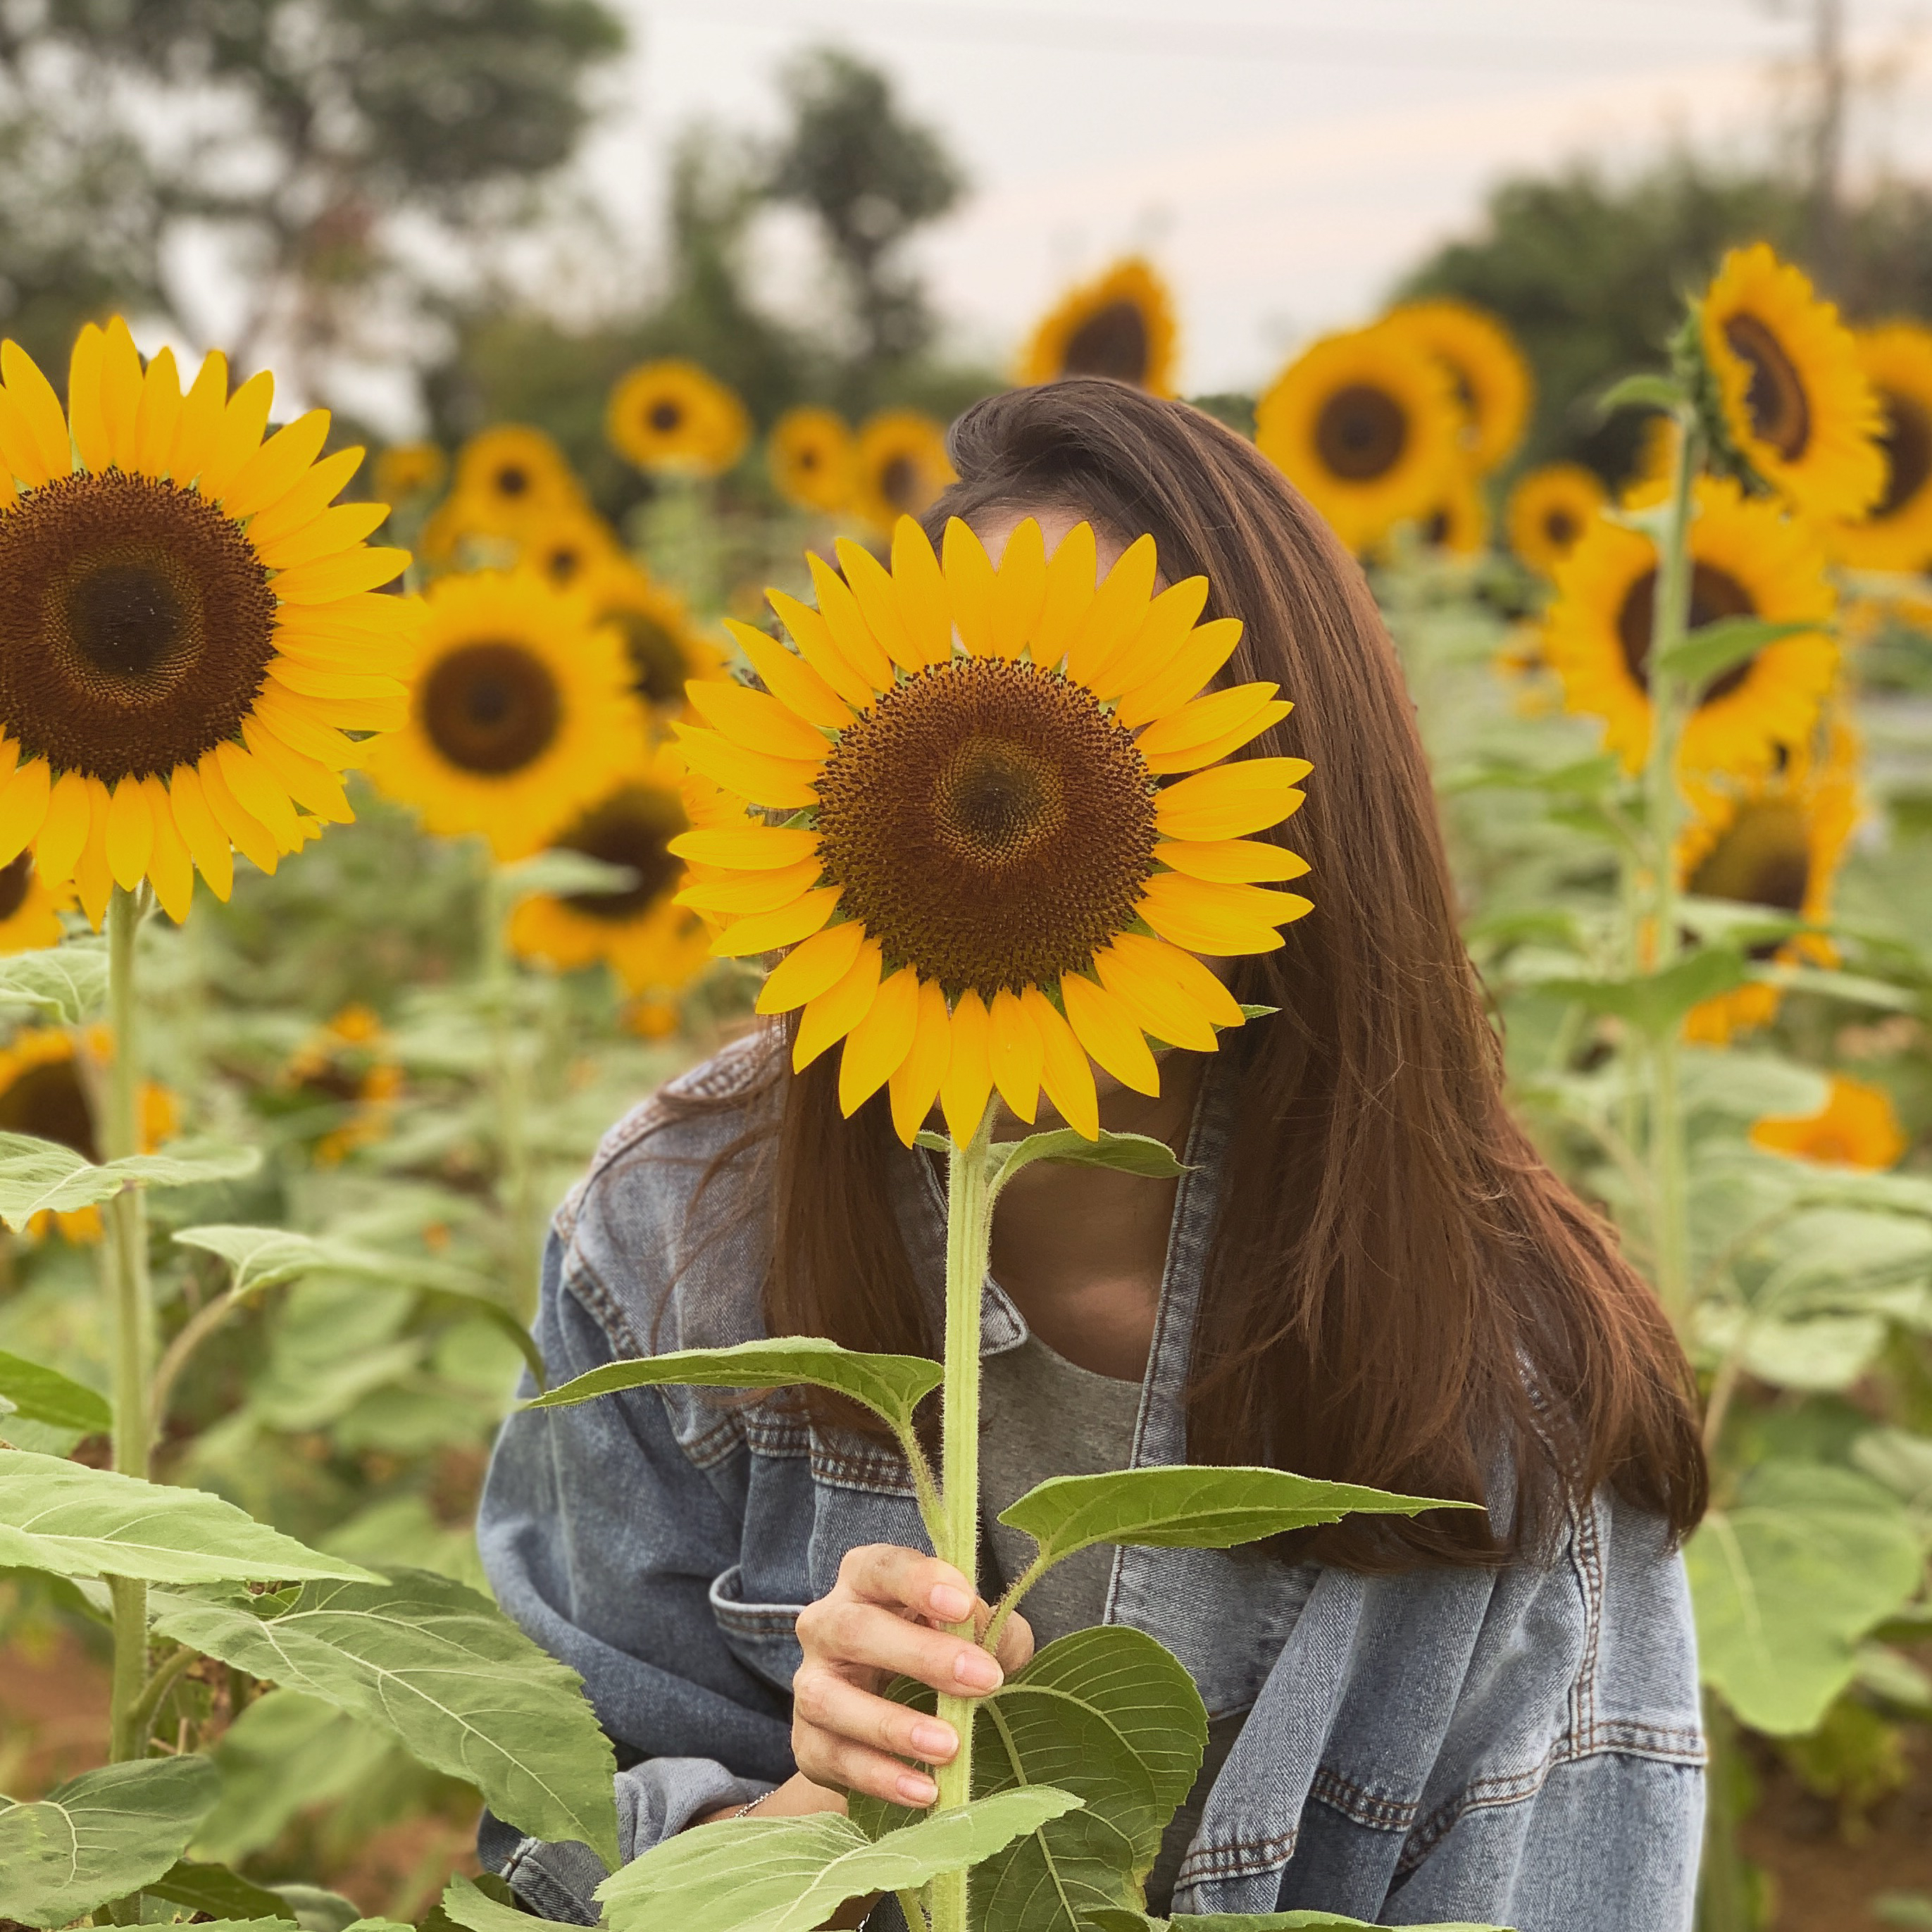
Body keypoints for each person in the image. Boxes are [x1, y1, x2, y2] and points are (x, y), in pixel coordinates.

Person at [475, 378, 1709, 1930]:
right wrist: (810, 1833)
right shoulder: (668, 1233)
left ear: (1284, 824)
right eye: (950, 720)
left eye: (1098, 731)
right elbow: (537, 1852)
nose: (998, 808)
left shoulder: (1513, 1397)